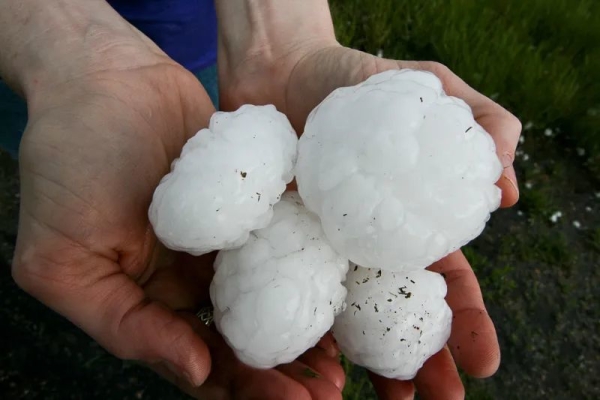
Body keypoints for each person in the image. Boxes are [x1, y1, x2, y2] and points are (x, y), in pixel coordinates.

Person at [0, 0, 521, 399]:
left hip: (188, 36)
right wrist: (64, 52)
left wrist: (282, 49)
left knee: (198, 93)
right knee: (25, 128)